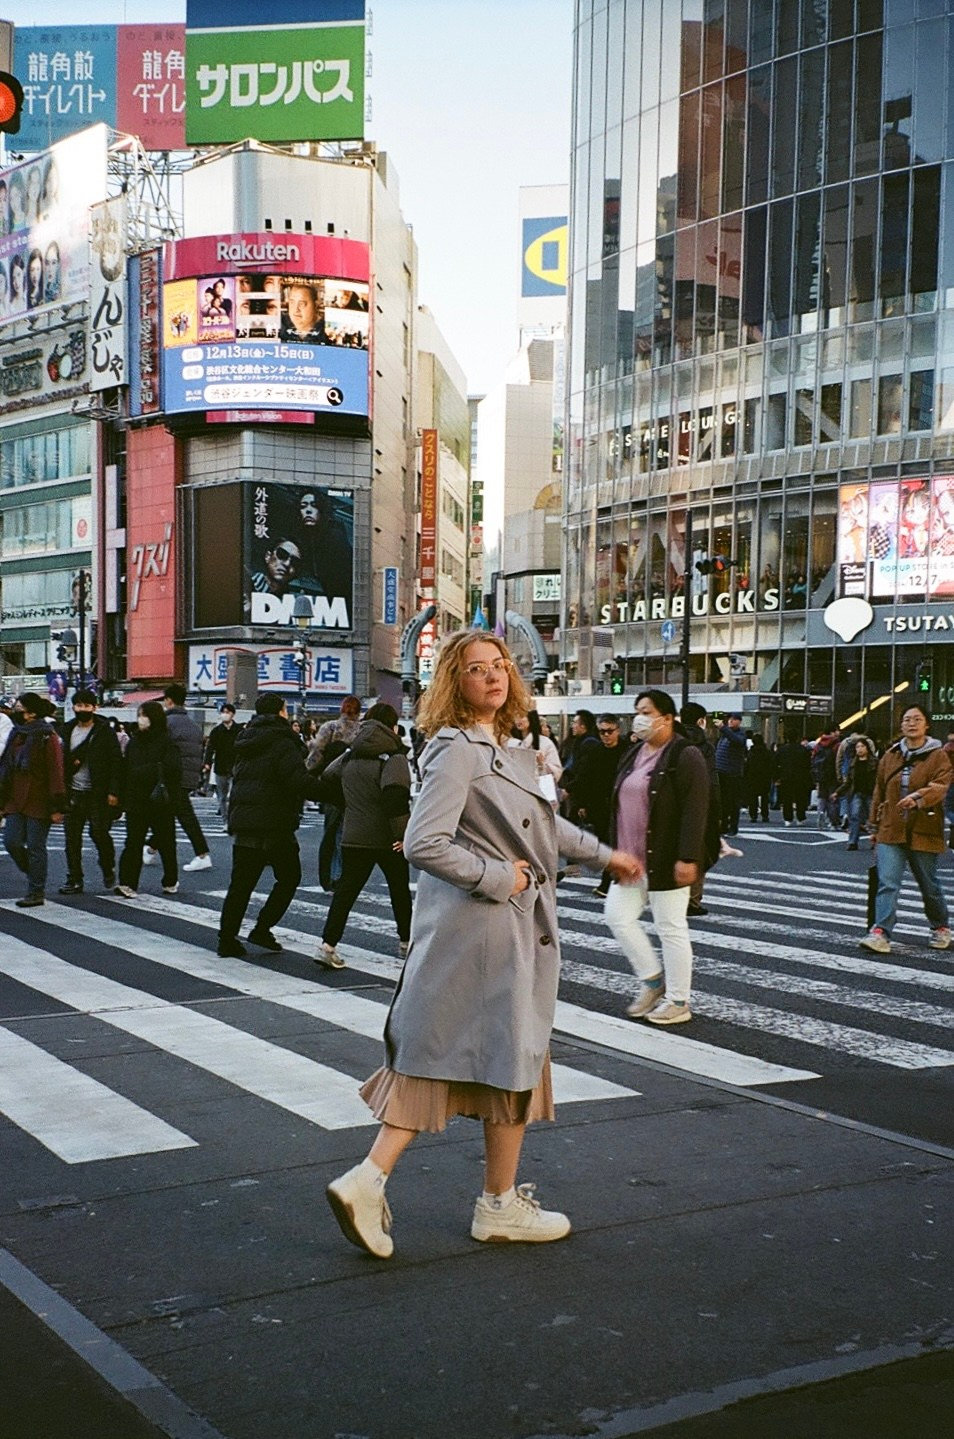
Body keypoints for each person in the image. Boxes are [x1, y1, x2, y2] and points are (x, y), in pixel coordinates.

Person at [324, 631, 641, 1259]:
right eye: (477, 669)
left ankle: (460, 1196)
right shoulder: (457, 749)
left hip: (496, 930)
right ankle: (436, 1192)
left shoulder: (505, 748)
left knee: (491, 1058)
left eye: (500, 667)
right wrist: (502, 877)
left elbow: (547, 830)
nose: (494, 677)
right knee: (496, 1055)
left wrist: (609, 856)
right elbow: (421, 842)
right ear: (454, 681)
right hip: (485, 928)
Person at [604, 690, 709, 1025]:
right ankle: (653, 980)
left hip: (665, 856)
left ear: (667, 717)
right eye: (637, 711)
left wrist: (688, 856)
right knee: (617, 916)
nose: (639, 717)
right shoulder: (634, 753)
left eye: (646, 711)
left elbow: (696, 808)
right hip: (630, 858)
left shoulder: (684, 754)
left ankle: (679, 1000)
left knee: (670, 927)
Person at [217, 694, 324, 958]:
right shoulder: (282, 741)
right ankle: (262, 927)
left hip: (245, 822)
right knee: (289, 877)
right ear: (281, 712)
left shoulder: (246, 739)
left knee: (241, 883)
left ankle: (227, 939)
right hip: (274, 823)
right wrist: (331, 791)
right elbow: (297, 781)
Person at [316, 703, 414, 969]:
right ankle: (406, 943)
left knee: (346, 892)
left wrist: (350, 802)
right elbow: (396, 799)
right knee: (399, 890)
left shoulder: (352, 753)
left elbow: (327, 776)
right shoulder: (393, 756)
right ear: (393, 726)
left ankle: (327, 945)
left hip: (354, 833)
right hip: (385, 837)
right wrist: (403, 836)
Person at [860, 704, 952, 953]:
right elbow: (879, 790)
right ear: (901, 725)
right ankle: (880, 932)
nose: (911, 723)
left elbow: (941, 785)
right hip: (891, 827)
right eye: (907, 719)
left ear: (926, 725)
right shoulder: (890, 755)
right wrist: (874, 826)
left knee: (929, 884)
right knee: (887, 882)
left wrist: (918, 798)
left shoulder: (938, 755)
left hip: (924, 826)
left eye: (917, 719)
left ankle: (940, 926)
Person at [0, 693, 66, 907]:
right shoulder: (16, 734)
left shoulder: (47, 736)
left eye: (19, 707)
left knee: (36, 846)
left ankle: (36, 891)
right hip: (14, 798)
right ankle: (34, 874)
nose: (15, 710)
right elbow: (6, 767)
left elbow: (56, 771)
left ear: (31, 713)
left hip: (39, 798)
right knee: (11, 841)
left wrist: (58, 805)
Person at [58, 688, 123, 895]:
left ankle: (107, 866)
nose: (82, 709)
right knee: (72, 838)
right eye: (78, 705)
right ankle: (74, 878)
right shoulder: (66, 730)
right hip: (73, 791)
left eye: (86, 706)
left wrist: (114, 791)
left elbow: (116, 762)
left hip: (98, 792)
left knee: (99, 833)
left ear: (95, 708)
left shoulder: (104, 731)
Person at [114, 701, 182, 898]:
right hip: (136, 799)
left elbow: (173, 769)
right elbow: (125, 768)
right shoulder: (134, 740)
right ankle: (127, 883)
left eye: (143, 715)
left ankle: (170, 880)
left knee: (166, 842)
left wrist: (143, 772)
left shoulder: (167, 741)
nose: (140, 719)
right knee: (133, 842)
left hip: (160, 799)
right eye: (139, 715)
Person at [144, 685, 212, 873]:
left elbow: (159, 750)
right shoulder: (193, 725)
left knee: (183, 815)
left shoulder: (166, 723)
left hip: (171, 776)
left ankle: (202, 854)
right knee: (170, 813)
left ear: (169, 700)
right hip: (189, 776)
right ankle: (150, 848)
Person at [578, 714, 631, 897]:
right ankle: (613, 879)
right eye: (602, 731)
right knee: (605, 844)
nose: (606, 735)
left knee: (618, 843)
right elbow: (585, 779)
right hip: (600, 805)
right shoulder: (595, 752)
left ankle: (609, 882)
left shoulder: (628, 751)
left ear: (618, 730)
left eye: (609, 731)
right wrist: (582, 803)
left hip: (623, 804)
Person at [680, 700, 722, 916]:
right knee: (698, 852)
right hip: (701, 806)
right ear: (700, 721)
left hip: (675, 805)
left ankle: (672, 898)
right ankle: (693, 901)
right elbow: (712, 780)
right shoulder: (706, 747)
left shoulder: (672, 742)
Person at [559, 709, 601, 823]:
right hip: (579, 795)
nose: (572, 726)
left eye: (575, 723)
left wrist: (569, 789)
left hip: (586, 799)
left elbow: (585, 773)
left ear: (583, 726)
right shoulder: (581, 742)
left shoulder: (589, 744)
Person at [202, 703, 242, 819]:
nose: (225, 715)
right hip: (221, 766)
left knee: (234, 795)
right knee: (222, 796)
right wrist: (207, 763)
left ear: (233, 714)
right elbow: (210, 749)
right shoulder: (216, 731)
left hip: (236, 766)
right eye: (223, 712)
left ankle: (233, 818)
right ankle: (225, 819)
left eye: (227, 712)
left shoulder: (239, 730)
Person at [509, 710, 563, 788]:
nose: (518, 720)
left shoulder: (545, 743)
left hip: (538, 788)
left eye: (522, 716)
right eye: (516, 716)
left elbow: (557, 772)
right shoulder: (512, 742)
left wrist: (542, 765)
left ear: (531, 718)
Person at [842, 737, 877, 850]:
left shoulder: (875, 762)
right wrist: (838, 792)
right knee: (855, 816)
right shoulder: (853, 763)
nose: (860, 749)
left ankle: (875, 840)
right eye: (857, 747)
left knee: (873, 818)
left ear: (867, 748)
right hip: (857, 792)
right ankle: (852, 842)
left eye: (862, 746)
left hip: (871, 792)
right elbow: (849, 781)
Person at [714, 713, 747, 835]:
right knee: (722, 801)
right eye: (729, 719)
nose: (730, 721)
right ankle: (723, 825)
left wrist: (723, 728)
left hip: (733, 773)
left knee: (733, 801)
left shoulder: (740, 735)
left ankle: (733, 826)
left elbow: (737, 741)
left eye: (733, 720)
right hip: (721, 771)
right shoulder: (724, 736)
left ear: (739, 722)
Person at [775, 734, 812, 825]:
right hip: (800, 776)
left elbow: (775, 763)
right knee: (800, 798)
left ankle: (788, 818)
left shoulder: (782, 750)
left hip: (786, 776)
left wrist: (777, 777)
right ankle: (800, 818)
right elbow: (808, 764)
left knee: (787, 798)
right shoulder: (803, 750)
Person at [811, 731, 841, 829]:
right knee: (832, 799)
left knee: (822, 797)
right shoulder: (836, 745)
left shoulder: (819, 745)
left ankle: (821, 813)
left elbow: (812, 759)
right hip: (833, 775)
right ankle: (833, 822)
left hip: (821, 775)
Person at [744, 733, 775, 823]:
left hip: (752, 777)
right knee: (765, 797)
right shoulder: (767, 753)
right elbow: (771, 765)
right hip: (765, 777)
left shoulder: (751, 753)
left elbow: (747, 765)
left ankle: (753, 815)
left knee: (752, 797)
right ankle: (765, 815)